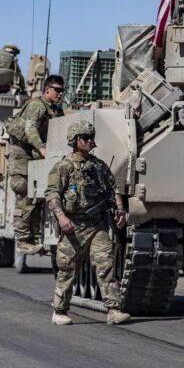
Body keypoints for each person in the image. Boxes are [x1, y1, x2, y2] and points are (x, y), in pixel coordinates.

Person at [45, 120, 130, 326]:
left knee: (106, 264)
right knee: (67, 268)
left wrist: (120, 211)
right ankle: (60, 310)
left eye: (91, 137)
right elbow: (52, 194)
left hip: (98, 225)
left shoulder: (99, 166)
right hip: (74, 226)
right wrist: (62, 217)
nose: (90, 141)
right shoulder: (64, 167)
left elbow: (114, 189)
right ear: (74, 140)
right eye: (85, 138)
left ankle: (113, 309)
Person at [5, 75, 65, 254]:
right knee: (24, 194)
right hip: (23, 157)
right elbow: (30, 130)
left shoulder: (55, 110)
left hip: (37, 159)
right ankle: (22, 240)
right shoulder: (37, 106)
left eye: (62, 90)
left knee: (37, 198)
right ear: (47, 89)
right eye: (57, 90)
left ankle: (34, 239)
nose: (60, 94)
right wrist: (42, 148)